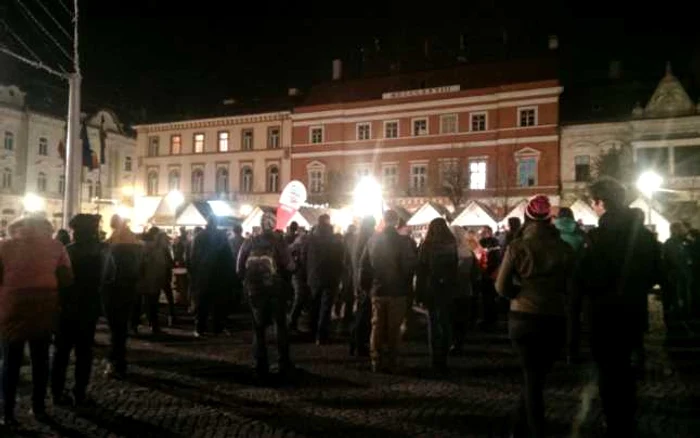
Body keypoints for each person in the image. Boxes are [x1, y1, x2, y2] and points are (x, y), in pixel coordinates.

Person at [580, 177, 659, 436]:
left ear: (601, 202)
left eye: (594, 202)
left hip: (603, 313)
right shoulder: (644, 237)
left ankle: (614, 421)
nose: (594, 207)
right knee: (625, 368)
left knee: (608, 370)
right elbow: (655, 274)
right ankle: (627, 418)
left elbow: (587, 278)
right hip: (633, 310)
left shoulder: (598, 237)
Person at [496, 195, 574, 437]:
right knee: (537, 375)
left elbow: (501, 286)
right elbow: (572, 286)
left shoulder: (517, 247)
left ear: (527, 218)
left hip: (524, 315)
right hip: (554, 315)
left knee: (532, 376)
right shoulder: (564, 248)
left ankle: (534, 429)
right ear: (550, 218)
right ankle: (521, 426)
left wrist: (517, 294)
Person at [0, 217, 73, 426]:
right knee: (40, 360)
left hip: (12, 308)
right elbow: (67, 279)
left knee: (10, 361)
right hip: (43, 306)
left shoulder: (4, 247)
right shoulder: (57, 247)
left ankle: (7, 412)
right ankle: (38, 407)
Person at [52, 214, 105, 407]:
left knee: (61, 352)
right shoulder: (100, 252)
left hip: (66, 307)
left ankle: (57, 392)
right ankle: (80, 392)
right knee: (83, 352)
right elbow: (108, 277)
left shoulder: (67, 251)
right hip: (88, 306)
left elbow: (57, 279)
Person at [237, 211, 295, 378]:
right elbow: (289, 266)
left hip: (255, 290)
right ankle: (283, 362)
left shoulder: (250, 241)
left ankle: (260, 364)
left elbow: (238, 267)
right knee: (280, 325)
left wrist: (246, 283)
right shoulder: (279, 242)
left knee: (258, 328)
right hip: (275, 289)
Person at [359, 210, 417, 373]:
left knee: (376, 326)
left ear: (383, 220)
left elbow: (364, 266)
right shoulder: (403, 242)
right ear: (396, 222)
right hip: (397, 290)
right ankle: (392, 360)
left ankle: (376, 360)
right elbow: (409, 266)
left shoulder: (372, 240)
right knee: (394, 327)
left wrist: (365, 286)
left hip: (378, 289)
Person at [102, 215, 144, 380]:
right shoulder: (134, 244)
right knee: (120, 327)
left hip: (113, 289)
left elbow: (106, 270)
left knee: (115, 327)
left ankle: (115, 360)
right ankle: (117, 359)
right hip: (128, 288)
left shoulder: (112, 245)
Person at [416, 218, 459, 374]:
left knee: (434, 324)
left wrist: (418, 293)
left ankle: (436, 359)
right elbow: (455, 269)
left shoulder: (426, 246)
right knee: (446, 321)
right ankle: (445, 356)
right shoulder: (451, 245)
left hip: (431, 288)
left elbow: (421, 271)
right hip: (447, 289)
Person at [190, 217, 235, 337]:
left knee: (202, 303)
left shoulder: (199, 236)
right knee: (218, 303)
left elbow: (192, 257)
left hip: (203, 274)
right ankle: (217, 328)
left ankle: (200, 328)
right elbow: (228, 257)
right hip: (219, 275)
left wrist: (194, 273)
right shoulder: (221, 236)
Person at [554, 207, 587, 363]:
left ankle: (555, 349)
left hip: (554, 280)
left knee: (554, 315)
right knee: (573, 317)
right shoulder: (580, 234)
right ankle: (572, 351)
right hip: (575, 279)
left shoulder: (551, 233)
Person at [304, 214, 344, 345]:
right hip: (330, 276)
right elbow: (340, 259)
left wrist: (308, 273)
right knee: (326, 307)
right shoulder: (334, 239)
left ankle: (312, 332)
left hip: (314, 276)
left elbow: (304, 256)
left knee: (314, 305)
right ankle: (322, 335)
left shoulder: (310, 239)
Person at [450, 225, 481, 355]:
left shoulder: (449, 253)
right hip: (466, 289)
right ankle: (460, 343)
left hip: (452, 290)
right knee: (462, 318)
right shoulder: (469, 253)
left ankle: (453, 343)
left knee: (452, 318)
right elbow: (476, 274)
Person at [133, 227, 169, 335]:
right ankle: (137, 326)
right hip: (147, 281)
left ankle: (152, 326)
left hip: (152, 281)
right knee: (143, 305)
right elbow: (142, 264)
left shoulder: (157, 249)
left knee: (150, 305)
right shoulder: (148, 248)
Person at [349, 217, 376, 356]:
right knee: (365, 314)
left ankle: (354, 342)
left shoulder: (356, 240)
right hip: (365, 281)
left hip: (358, 280)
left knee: (361, 312)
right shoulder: (368, 240)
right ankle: (360, 343)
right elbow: (366, 264)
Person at [478, 225, 501, 330]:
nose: (483, 233)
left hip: (490, 272)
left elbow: (495, 257)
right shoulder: (482, 242)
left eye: (485, 231)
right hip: (485, 272)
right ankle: (488, 318)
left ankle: (491, 318)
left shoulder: (494, 242)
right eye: (483, 231)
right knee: (487, 297)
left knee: (489, 297)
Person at [288, 228, 310, 333]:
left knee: (300, 298)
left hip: (298, 275)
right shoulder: (296, 248)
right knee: (299, 298)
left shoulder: (293, 247)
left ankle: (293, 321)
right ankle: (291, 322)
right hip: (299, 275)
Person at [228, 224, 246, 312]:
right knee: (240, 284)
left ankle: (233, 302)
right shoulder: (245, 241)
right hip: (242, 265)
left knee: (232, 284)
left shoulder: (229, 241)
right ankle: (240, 301)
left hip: (231, 265)